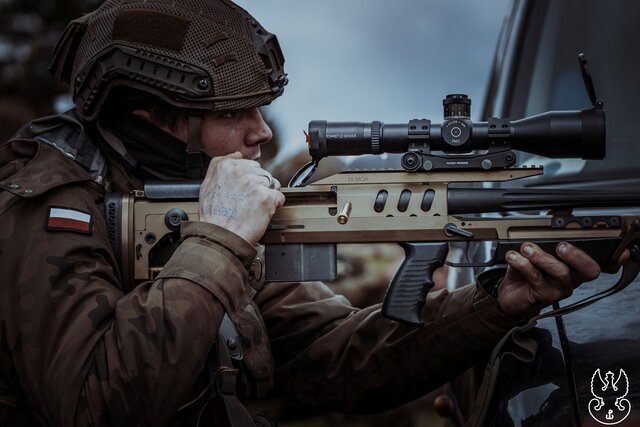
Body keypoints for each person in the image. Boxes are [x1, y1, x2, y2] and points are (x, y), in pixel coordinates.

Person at [0, 1, 618, 425]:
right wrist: (216, 243)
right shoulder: (53, 207)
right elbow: (91, 406)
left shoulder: (203, 203)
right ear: (157, 119)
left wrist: (494, 305)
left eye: (260, 109)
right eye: (232, 114)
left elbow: (333, 357)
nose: (261, 134)